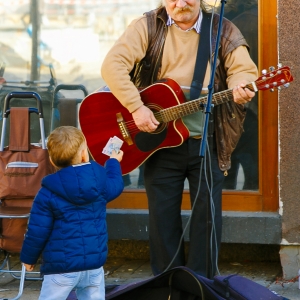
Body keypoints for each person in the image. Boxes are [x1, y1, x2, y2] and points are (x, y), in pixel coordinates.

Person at [101, 0, 258, 278]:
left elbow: (243, 70)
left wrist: (240, 85)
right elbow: (112, 65)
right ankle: (167, 284)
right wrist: (136, 107)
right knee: (161, 221)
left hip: (207, 139)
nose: (180, 3)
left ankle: (201, 285)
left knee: (206, 220)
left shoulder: (222, 29)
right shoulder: (148, 26)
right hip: (159, 143)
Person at [20, 126, 124, 300]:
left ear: (52, 161)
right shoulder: (99, 184)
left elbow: (37, 231)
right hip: (93, 266)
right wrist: (113, 161)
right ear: (84, 154)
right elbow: (116, 185)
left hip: (60, 269)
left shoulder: (47, 192)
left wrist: (28, 258)